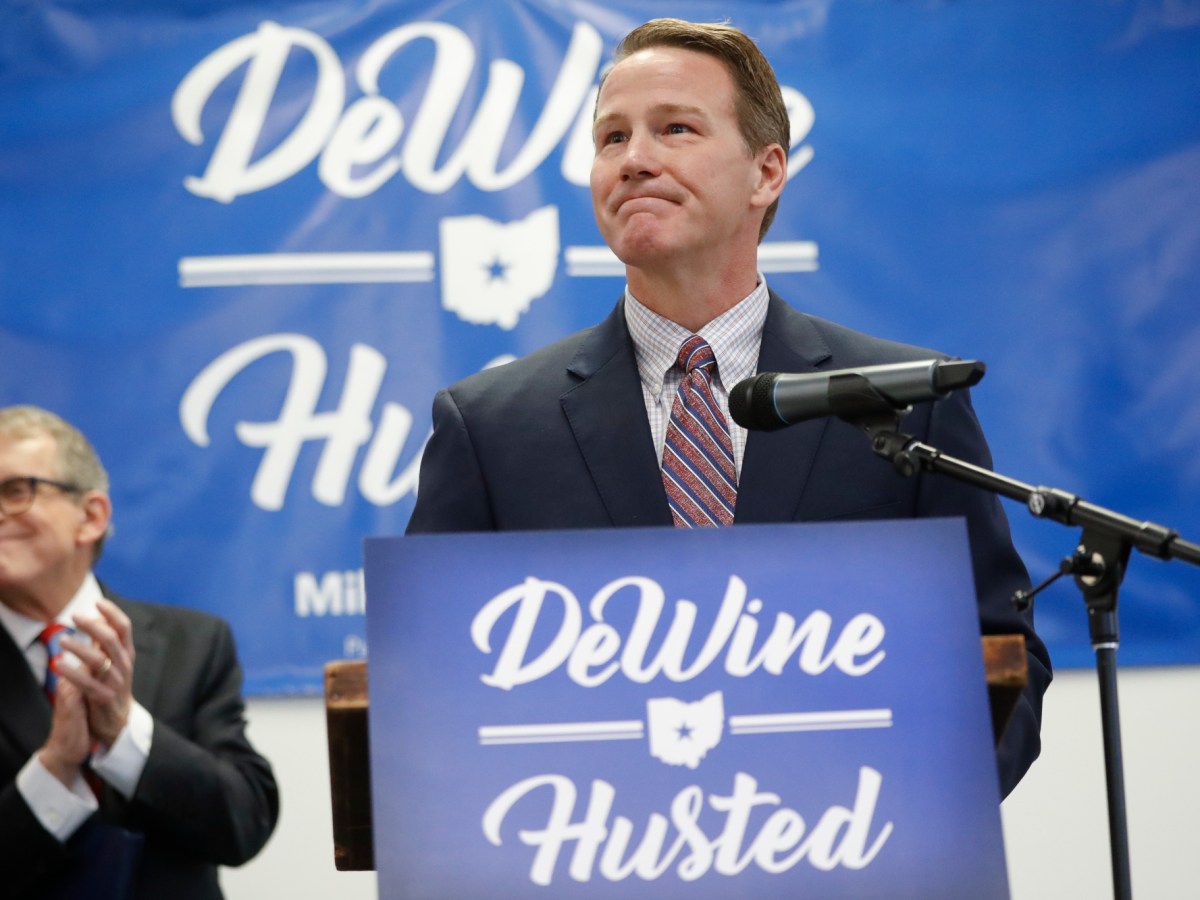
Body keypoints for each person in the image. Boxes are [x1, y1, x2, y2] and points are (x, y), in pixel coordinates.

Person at [407, 18, 1051, 798]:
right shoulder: (488, 425)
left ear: (766, 172)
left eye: (675, 128)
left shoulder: (906, 402)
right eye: (611, 138)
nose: (634, 159)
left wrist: (885, 812)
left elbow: (1001, 661)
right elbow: (429, 688)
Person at [0, 405, 278, 899]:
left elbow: (243, 823)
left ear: (90, 516)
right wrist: (56, 766)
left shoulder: (193, 644)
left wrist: (125, 731)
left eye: (15, 491)